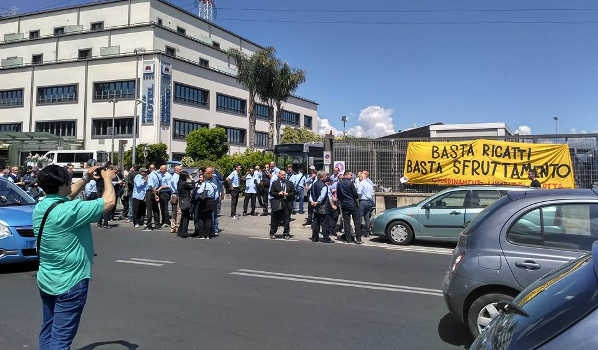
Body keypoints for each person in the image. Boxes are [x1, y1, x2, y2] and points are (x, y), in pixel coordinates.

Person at [34, 164, 116, 349]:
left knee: (48, 329)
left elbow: (68, 193)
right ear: (63, 184)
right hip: (70, 282)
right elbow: (109, 202)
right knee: (61, 339)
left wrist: (86, 177)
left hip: (47, 279)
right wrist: (108, 179)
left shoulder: (42, 205)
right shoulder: (70, 210)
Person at [337, 171, 362, 244]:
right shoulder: (351, 183)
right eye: (351, 175)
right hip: (352, 204)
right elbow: (355, 194)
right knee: (357, 222)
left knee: (346, 222)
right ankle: (358, 239)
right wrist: (357, 201)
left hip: (344, 204)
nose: (352, 176)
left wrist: (341, 202)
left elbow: (338, 195)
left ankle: (348, 239)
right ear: (346, 175)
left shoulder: (339, 183)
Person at [269, 170, 295, 239]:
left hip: (286, 203)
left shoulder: (289, 183)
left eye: (284, 175)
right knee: (275, 219)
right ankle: (272, 233)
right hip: (277, 203)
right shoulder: (275, 183)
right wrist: (278, 194)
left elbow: (293, 193)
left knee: (286, 219)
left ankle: (286, 233)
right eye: (282, 175)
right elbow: (271, 193)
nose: (284, 176)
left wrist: (288, 194)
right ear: (279, 175)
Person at [194, 167, 218, 239]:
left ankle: (202, 234)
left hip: (204, 201)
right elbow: (216, 195)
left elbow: (199, 191)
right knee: (209, 218)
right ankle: (208, 235)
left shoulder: (204, 184)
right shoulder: (214, 185)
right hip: (212, 201)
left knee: (201, 218)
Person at [309, 171, 327, 242]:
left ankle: (314, 237)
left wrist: (312, 201)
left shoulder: (313, 184)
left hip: (314, 206)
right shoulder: (324, 185)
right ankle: (326, 237)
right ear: (322, 177)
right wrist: (317, 202)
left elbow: (310, 194)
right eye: (325, 176)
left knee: (316, 222)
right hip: (322, 206)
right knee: (324, 222)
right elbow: (322, 196)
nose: (326, 177)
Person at [176, 171, 195, 238]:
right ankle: (184, 232)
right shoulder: (184, 183)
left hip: (181, 200)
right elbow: (193, 186)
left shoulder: (179, 182)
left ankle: (180, 231)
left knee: (183, 216)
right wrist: (192, 179)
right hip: (186, 200)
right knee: (186, 217)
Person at [357, 171, 375, 237]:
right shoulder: (369, 184)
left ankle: (359, 232)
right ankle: (367, 232)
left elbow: (359, 193)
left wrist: (357, 201)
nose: (359, 178)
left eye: (359, 177)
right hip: (369, 202)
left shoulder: (361, 183)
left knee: (359, 217)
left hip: (363, 202)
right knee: (367, 217)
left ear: (362, 177)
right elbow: (372, 194)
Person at [145, 164, 161, 230]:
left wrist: (155, 195)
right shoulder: (157, 175)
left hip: (151, 192)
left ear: (149, 169)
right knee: (156, 209)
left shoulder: (151, 175)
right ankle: (157, 225)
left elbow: (152, 186)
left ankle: (149, 225)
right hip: (156, 191)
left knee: (149, 209)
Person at [169, 165, 183, 233]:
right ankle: (176, 227)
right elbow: (176, 187)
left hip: (174, 194)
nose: (181, 170)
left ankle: (174, 227)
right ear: (176, 170)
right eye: (180, 169)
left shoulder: (175, 176)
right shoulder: (176, 177)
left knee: (175, 212)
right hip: (177, 194)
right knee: (178, 212)